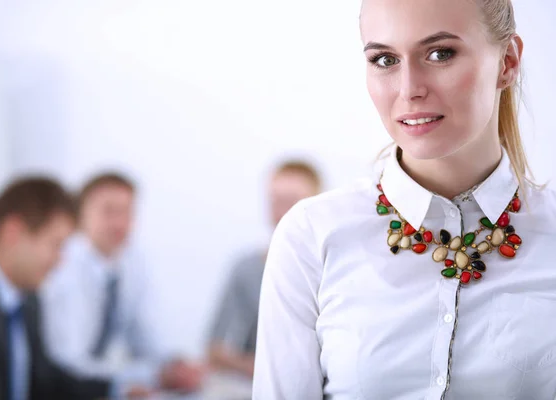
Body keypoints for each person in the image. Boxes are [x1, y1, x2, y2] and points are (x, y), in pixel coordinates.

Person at [253, 0, 556, 399]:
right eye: (384, 59)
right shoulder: (311, 235)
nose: (410, 89)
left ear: (508, 62)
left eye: (440, 53)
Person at [40, 172, 204, 395]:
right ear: (80, 216)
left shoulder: (131, 259)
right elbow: (72, 365)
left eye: (126, 212)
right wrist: (151, 375)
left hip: (102, 383)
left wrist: (173, 364)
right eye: (108, 211)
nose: (119, 223)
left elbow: (145, 335)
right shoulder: (64, 266)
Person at [0, 177, 111, 400]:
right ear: (13, 232)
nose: (60, 261)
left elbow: (43, 380)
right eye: (56, 245)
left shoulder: (27, 298)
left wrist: (115, 390)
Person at [208, 160, 321, 378]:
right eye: (275, 202)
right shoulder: (245, 269)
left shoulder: (335, 270)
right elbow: (215, 349)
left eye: (291, 202)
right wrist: (268, 375)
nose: (281, 213)